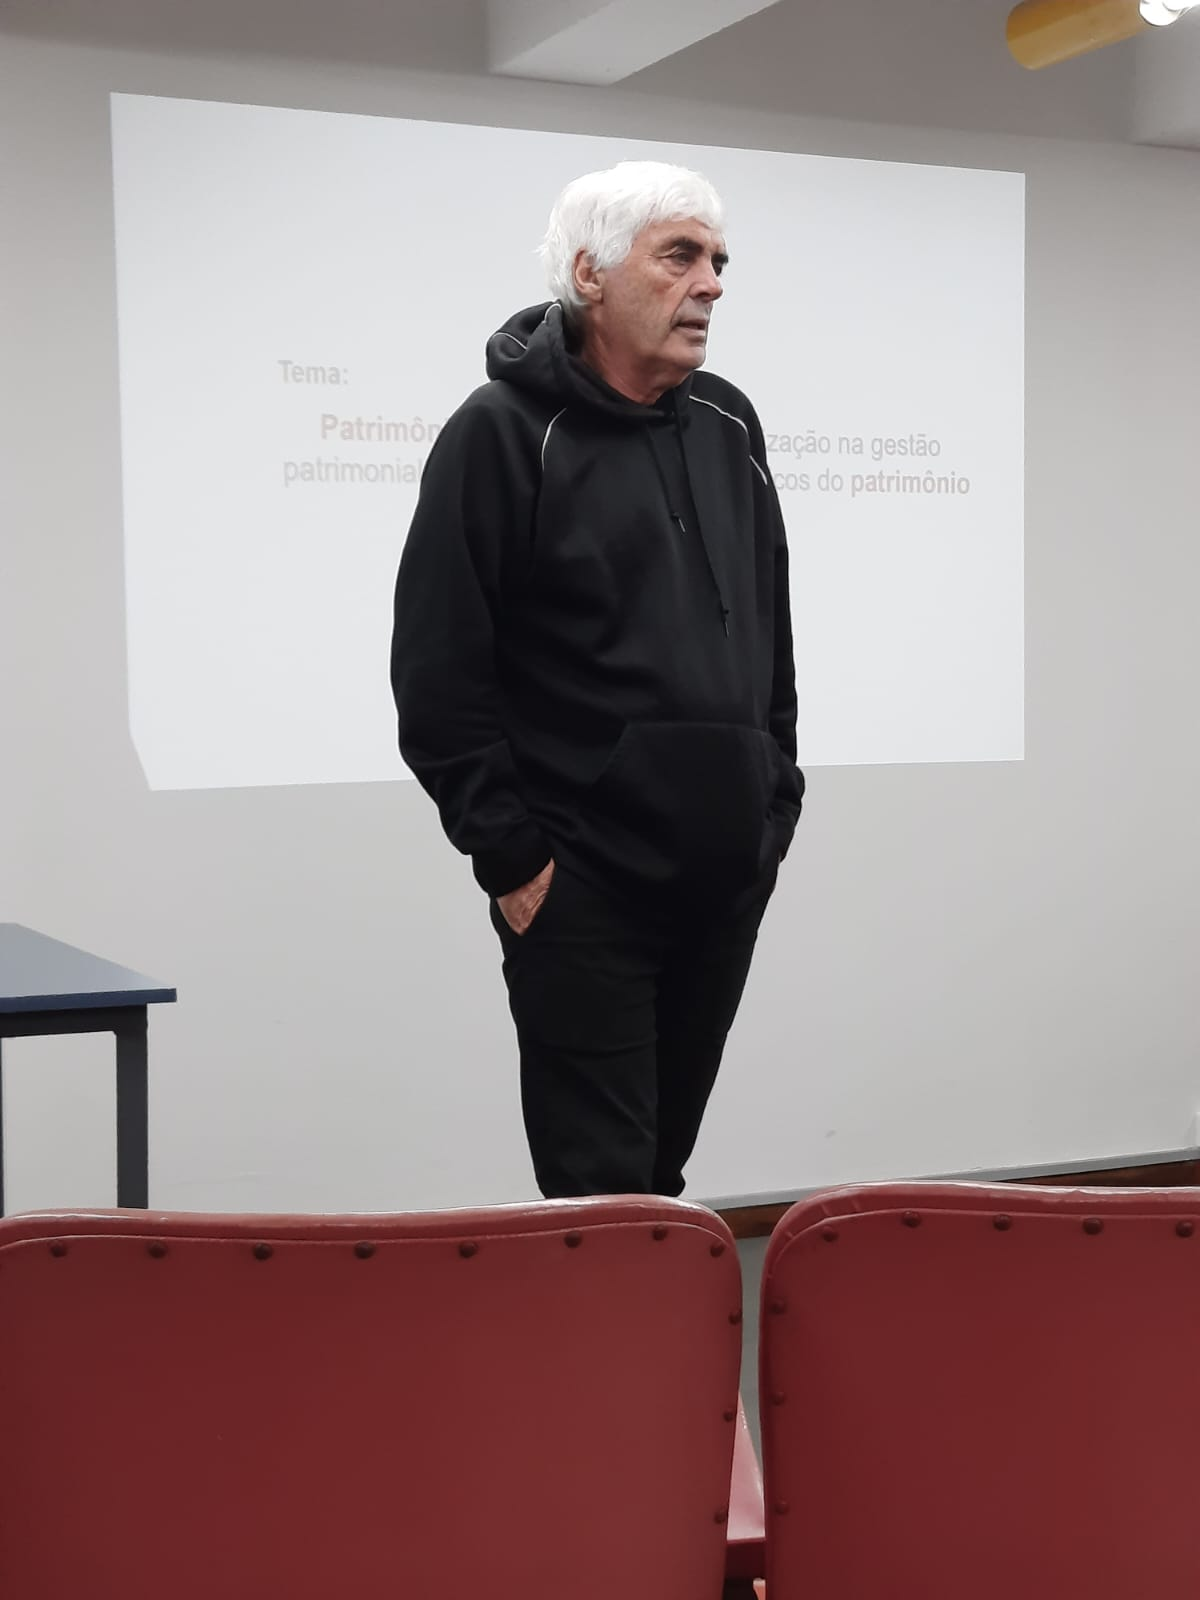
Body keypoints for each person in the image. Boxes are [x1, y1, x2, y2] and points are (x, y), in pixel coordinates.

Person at [391, 160, 804, 1198]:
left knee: (660, 1176)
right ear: (590, 273)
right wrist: (514, 860)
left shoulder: (731, 425)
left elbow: (771, 639)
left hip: (723, 876)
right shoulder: (499, 431)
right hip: (581, 888)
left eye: (719, 261)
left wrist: (773, 804)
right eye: (681, 257)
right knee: (601, 1193)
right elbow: (438, 672)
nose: (711, 284)